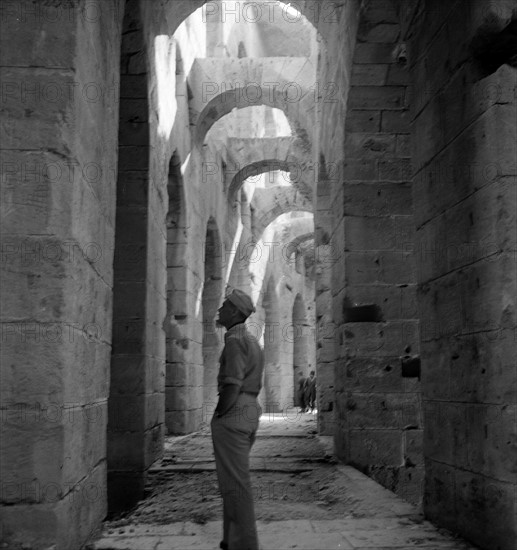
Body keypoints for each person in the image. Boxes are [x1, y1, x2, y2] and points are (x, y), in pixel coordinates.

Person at [211, 289, 264, 550]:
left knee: (235, 484)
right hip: (250, 407)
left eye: (224, 306)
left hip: (235, 410)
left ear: (234, 312)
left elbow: (232, 384)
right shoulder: (251, 340)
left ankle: (245, 545)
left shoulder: (234, 339)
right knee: (233, 481)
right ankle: (232, 540)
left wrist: (220, 413)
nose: (219, 310)